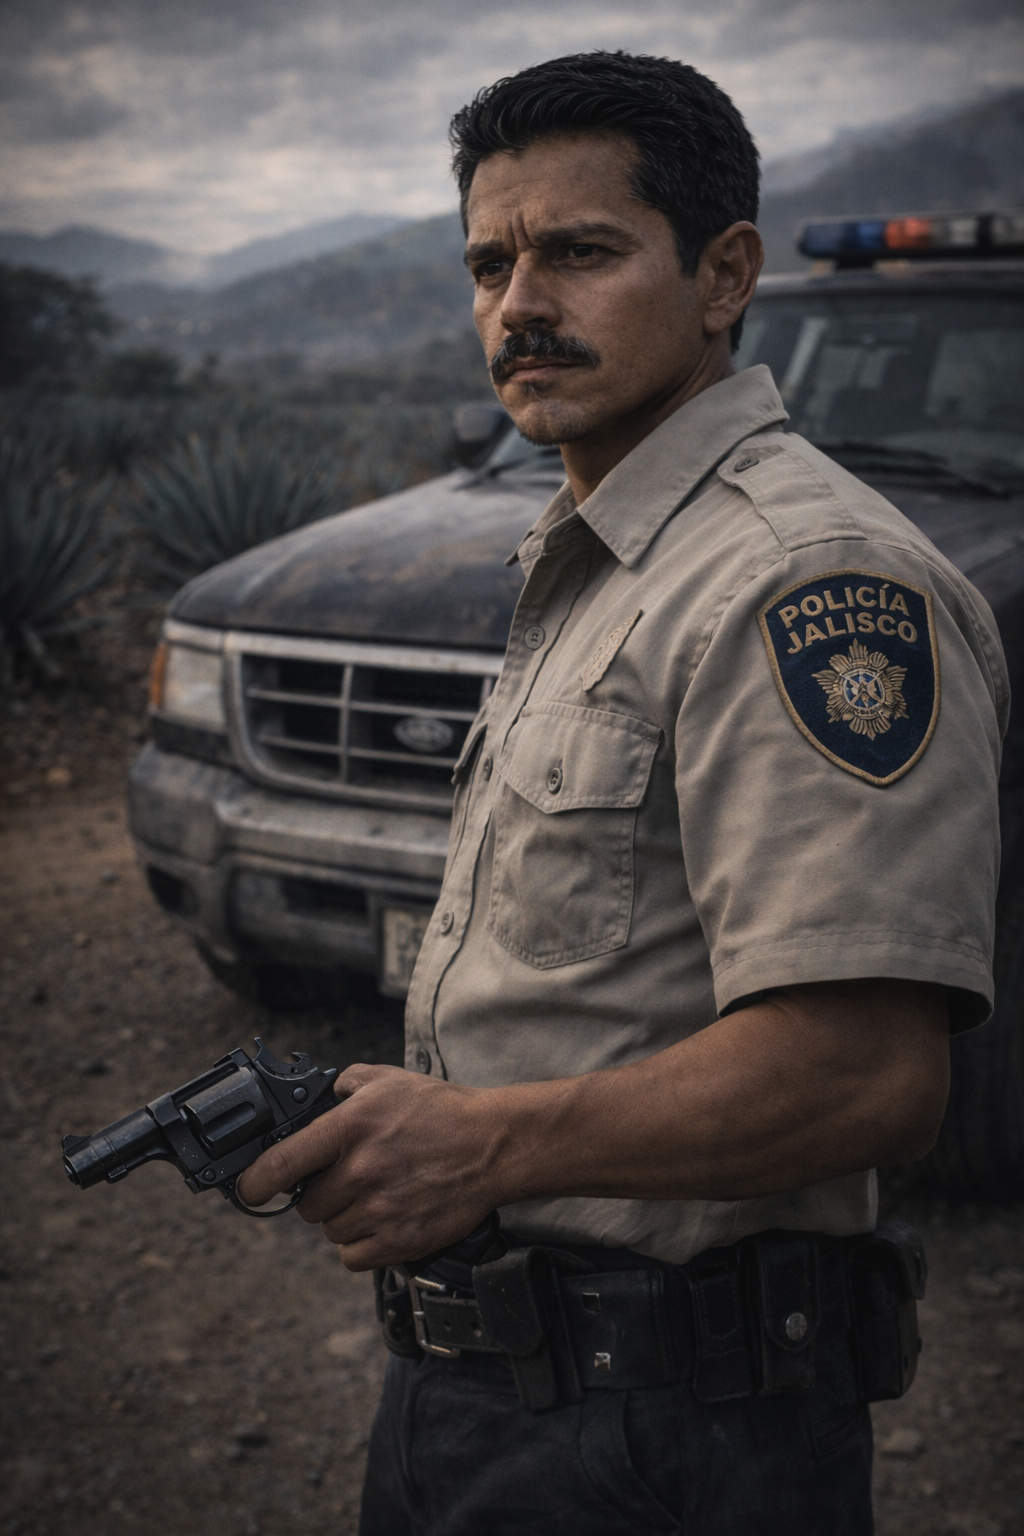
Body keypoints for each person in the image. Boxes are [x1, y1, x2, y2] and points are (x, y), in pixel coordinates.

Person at [239, 52, 1007, 1535]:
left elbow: (866, 1072)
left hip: (669, 1430)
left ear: (725, 275)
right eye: (488, 261)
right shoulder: (600, 551)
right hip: (496, 1385)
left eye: (578, 252)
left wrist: (487, 1142)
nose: (517, 304)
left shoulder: (804, 579)